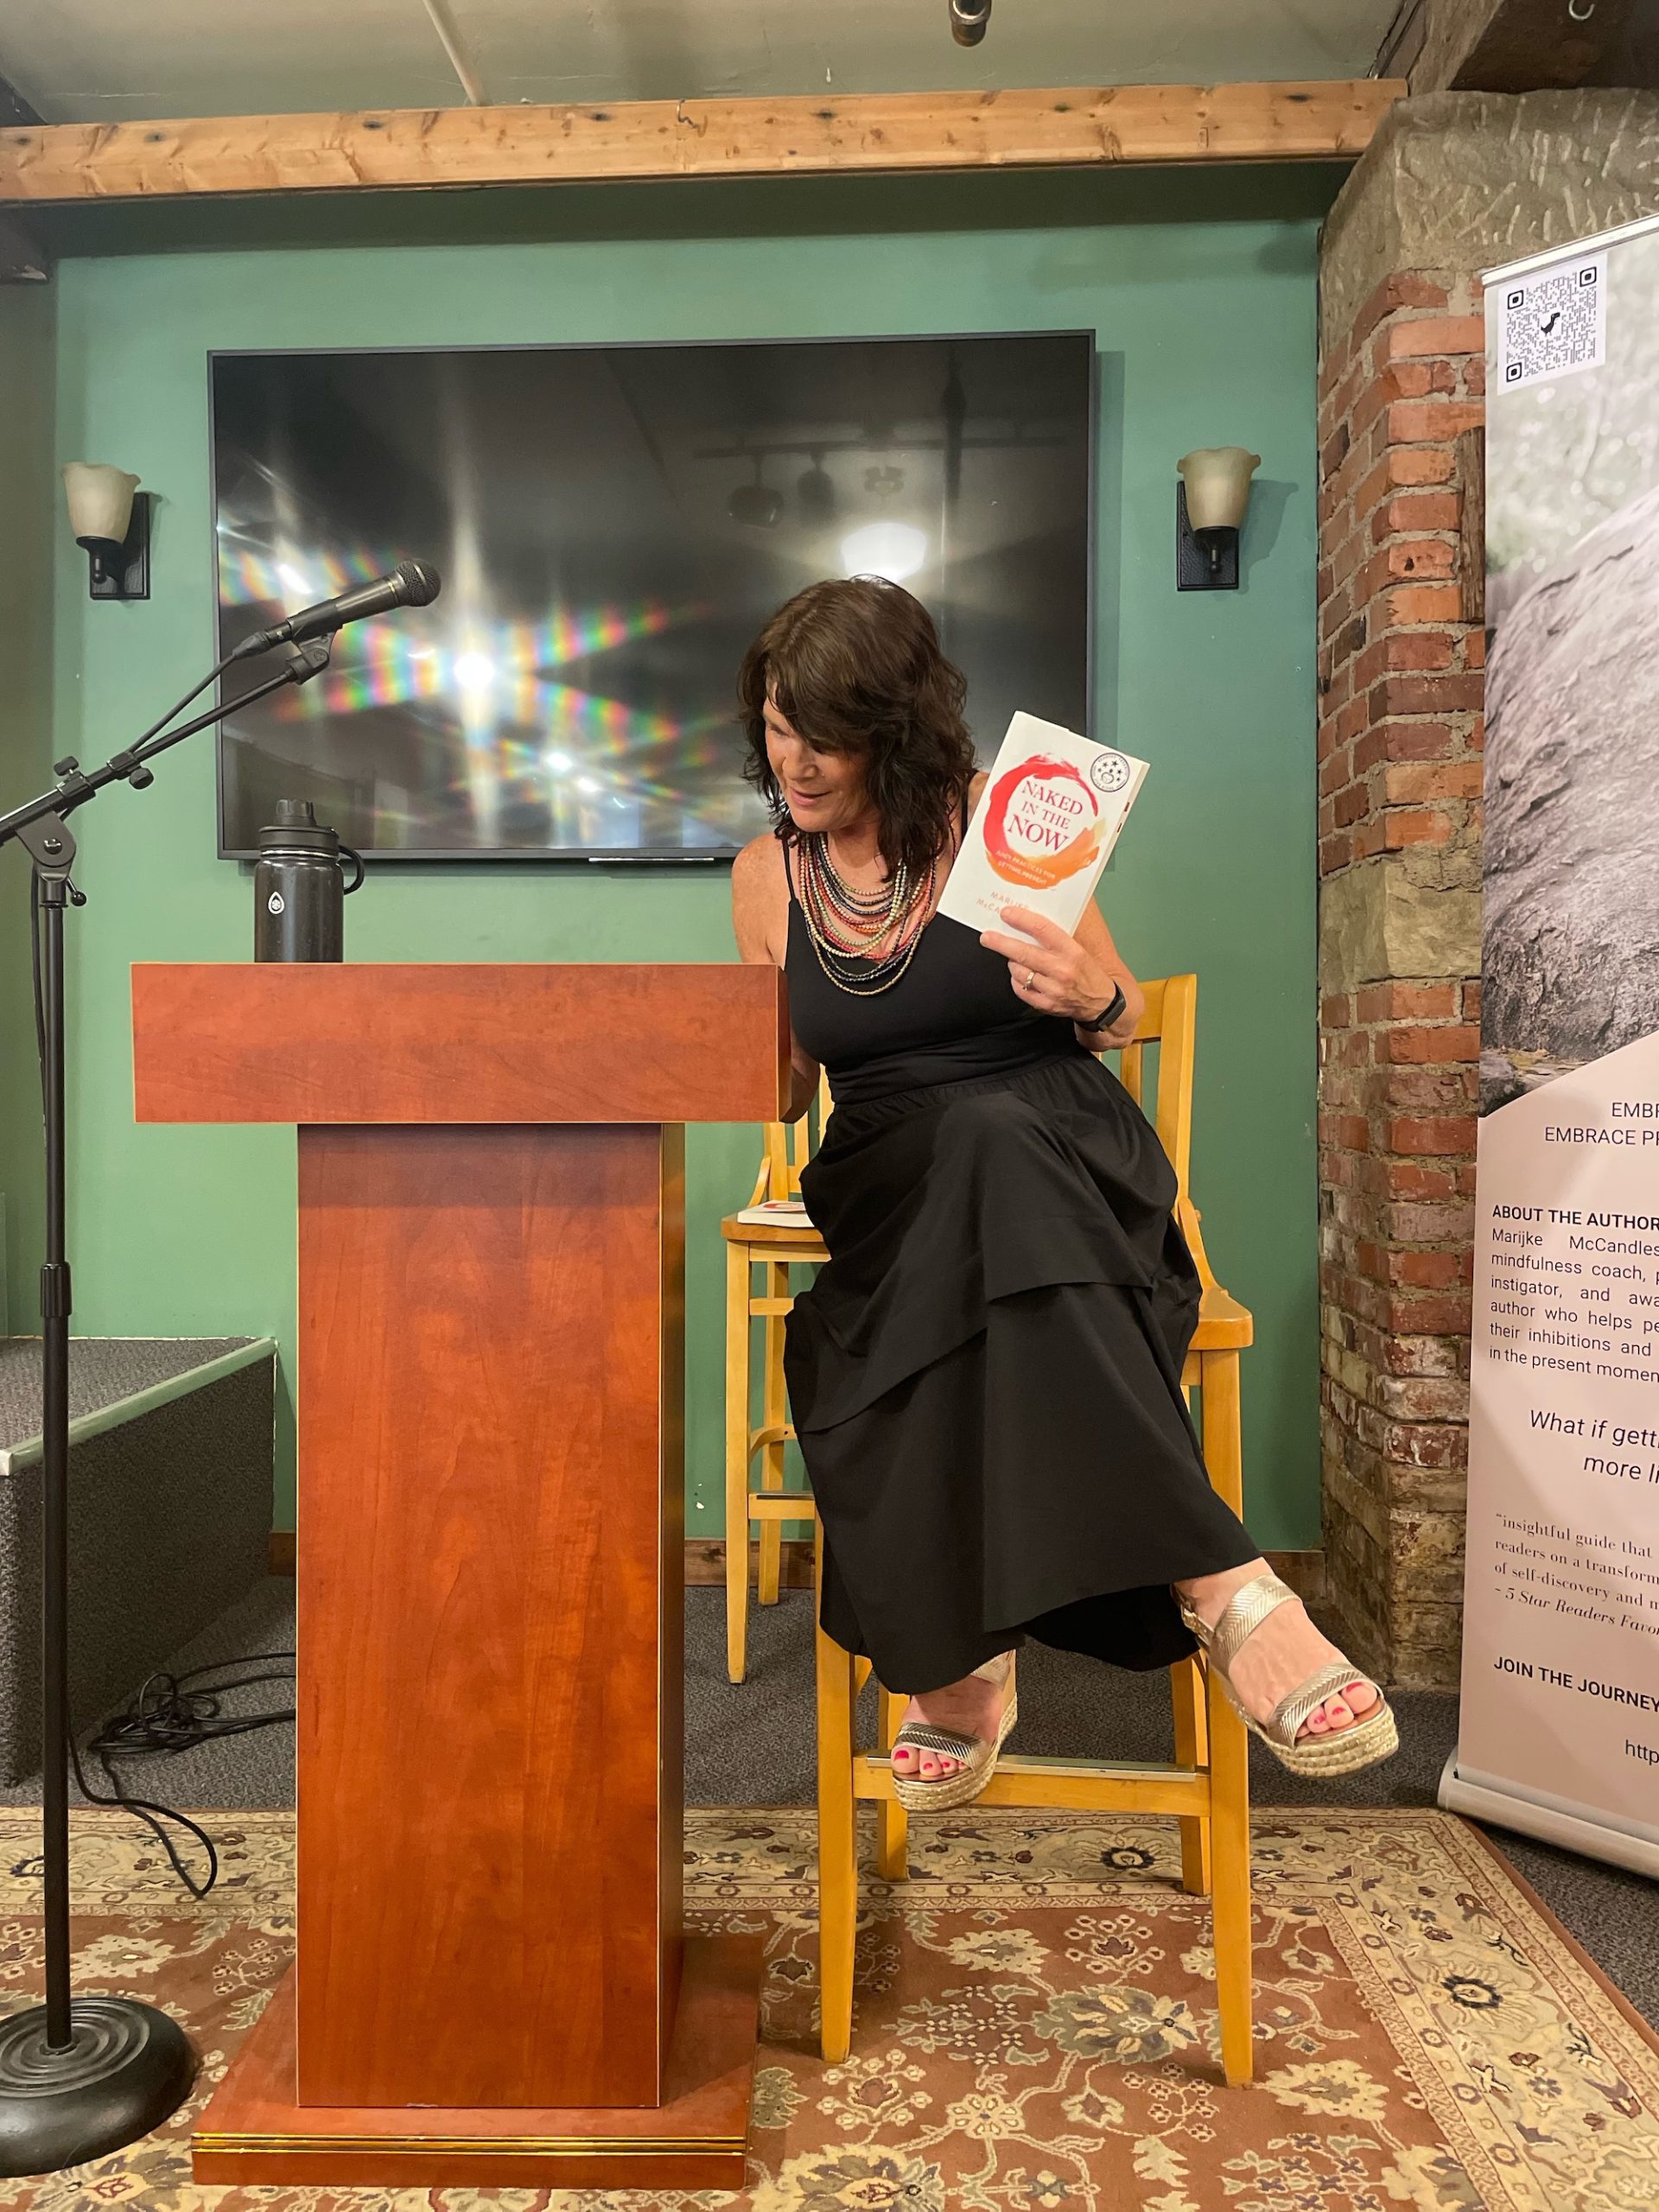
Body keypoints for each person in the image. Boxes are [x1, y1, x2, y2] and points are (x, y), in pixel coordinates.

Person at [730, 576, 1396, 1808]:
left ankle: (964, 1660)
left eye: (823, 732)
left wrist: (1088, 991)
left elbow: (1119, 1013)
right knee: (964, 1172)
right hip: (893, 1187)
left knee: (992, 1139)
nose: (796, 761)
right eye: (776, 728)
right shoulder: (766, 878)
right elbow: (784, 1088)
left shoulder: (1003, 819)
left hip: (1058, 1147)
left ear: (894, 724)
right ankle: (1227, 1588)